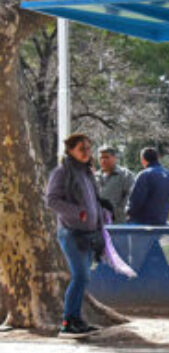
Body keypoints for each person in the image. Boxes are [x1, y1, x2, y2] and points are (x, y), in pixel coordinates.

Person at [43, 133, 105, 337]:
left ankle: (77, 319)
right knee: (80, 276)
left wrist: (101, 215)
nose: (86, 152)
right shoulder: (61, 173)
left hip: (90, 233)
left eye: (88, 147)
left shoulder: (87, 173)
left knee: (84, 279)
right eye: (81, 148)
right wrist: (78, 212)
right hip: (71, 233)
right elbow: (51, 200)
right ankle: (68, 321)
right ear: (70, 151)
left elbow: (93, 201)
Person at [125, 147, 169, 225]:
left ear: (143, 159)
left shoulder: (144, 175)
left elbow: (136, 200)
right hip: (161, 221)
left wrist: (128, 212)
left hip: (142, 222)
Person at [96, 145, 135, 224]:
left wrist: (118, 211)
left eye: (106, 157)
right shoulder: (94, 176)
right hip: (99, 223)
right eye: (101, 158)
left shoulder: (125, 175)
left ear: (114, 158)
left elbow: (130, 196)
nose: (103, 160)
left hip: (118, 223)